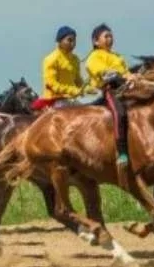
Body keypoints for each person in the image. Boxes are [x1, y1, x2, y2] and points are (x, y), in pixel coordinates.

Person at [85, 23, 136, 177]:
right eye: (106, 36)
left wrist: (133, 77)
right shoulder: (94, 57)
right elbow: (103, 73)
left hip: (125, 89)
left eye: (111, 36)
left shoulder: (117, 56)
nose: (110, 38)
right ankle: (121, 153)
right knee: (119, 113)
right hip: (109, 90)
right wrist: (121, 76)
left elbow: (126, 72)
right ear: (96, 41)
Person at [36, 26, 83, 110]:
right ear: (60, 41)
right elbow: (51, 85)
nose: (73, 43)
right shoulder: (51, 59)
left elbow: (78, 81)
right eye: (69, 40)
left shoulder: (75, 59)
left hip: (70, 100)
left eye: (74, 40)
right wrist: (73, 90)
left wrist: (87, 88)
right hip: (54, 101)